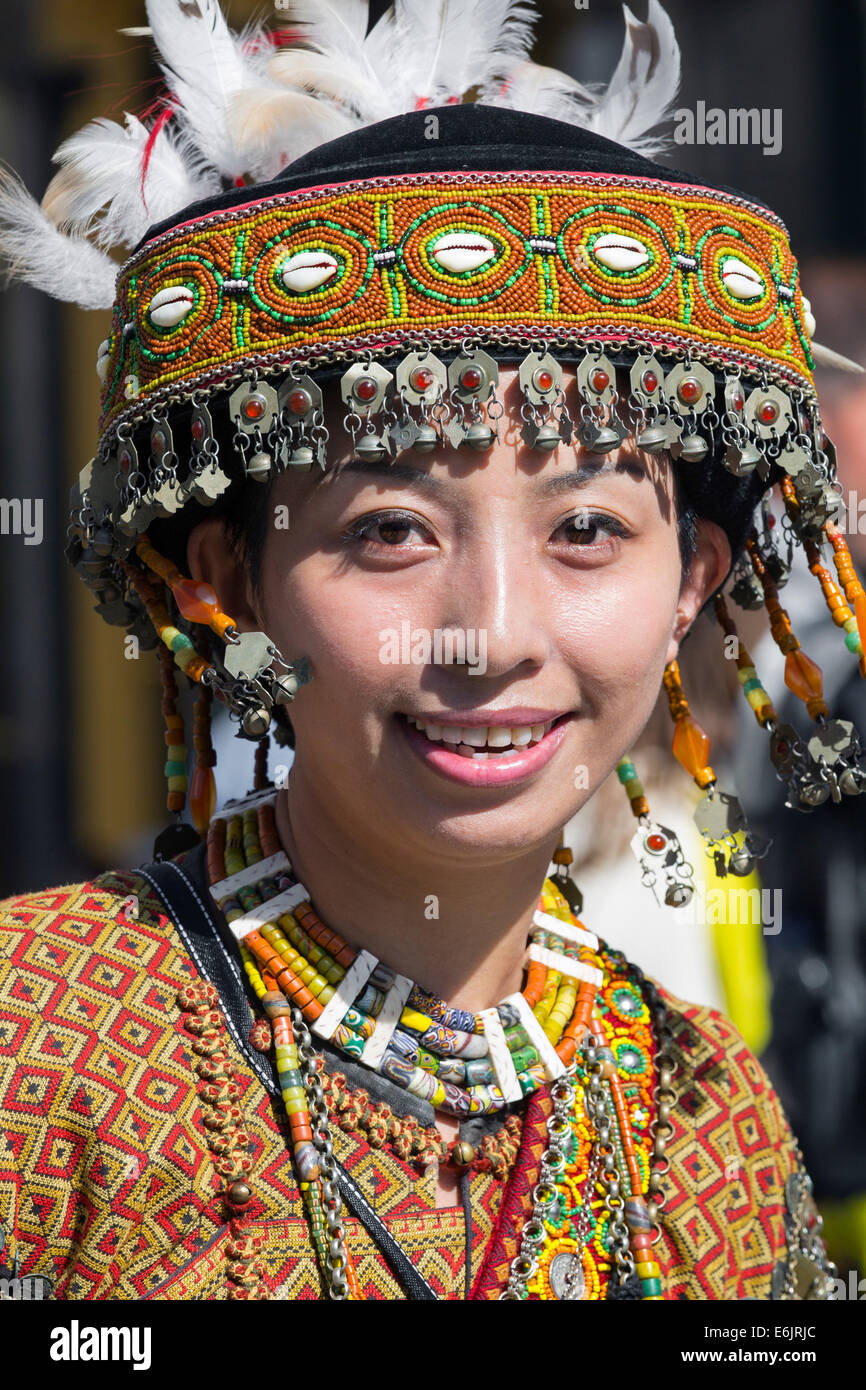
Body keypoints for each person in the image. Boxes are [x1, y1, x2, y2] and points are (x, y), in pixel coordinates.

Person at [0, 0, 858, 1301]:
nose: (493, 633)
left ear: (689, 583)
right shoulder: (39, 1033)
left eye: (583, 528)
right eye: (391, 529)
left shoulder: (703, 1118)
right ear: (232, 577)